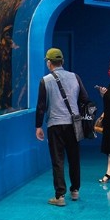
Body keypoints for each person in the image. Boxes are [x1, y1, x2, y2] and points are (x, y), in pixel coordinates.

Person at [35, 48, 90, 206]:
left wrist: (38, 126)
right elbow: (85, 99)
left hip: (55, 125)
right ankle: (75, 191)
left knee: (58, 160)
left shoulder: (45, 80)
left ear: (49, 63)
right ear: (63, 62)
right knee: (74, 158)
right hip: (73, 124)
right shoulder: (75, 77)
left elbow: (41, 106)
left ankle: (60, 196)